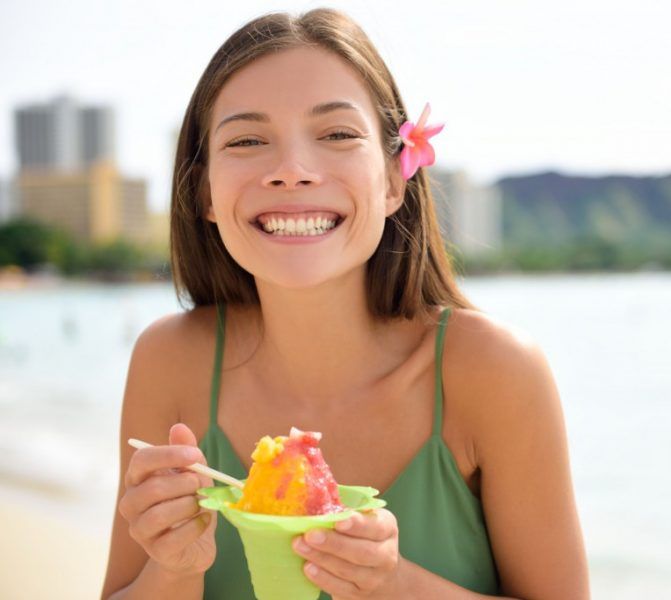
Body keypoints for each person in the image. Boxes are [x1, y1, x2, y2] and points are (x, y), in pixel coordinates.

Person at [101, 8, 588, 599]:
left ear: (392, 180)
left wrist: (395, 583)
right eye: (247, 140)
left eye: (336, 135)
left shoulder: (495, 370)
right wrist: (174, 567)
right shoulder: (169, 360)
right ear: (203, 191)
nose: (292, 171)